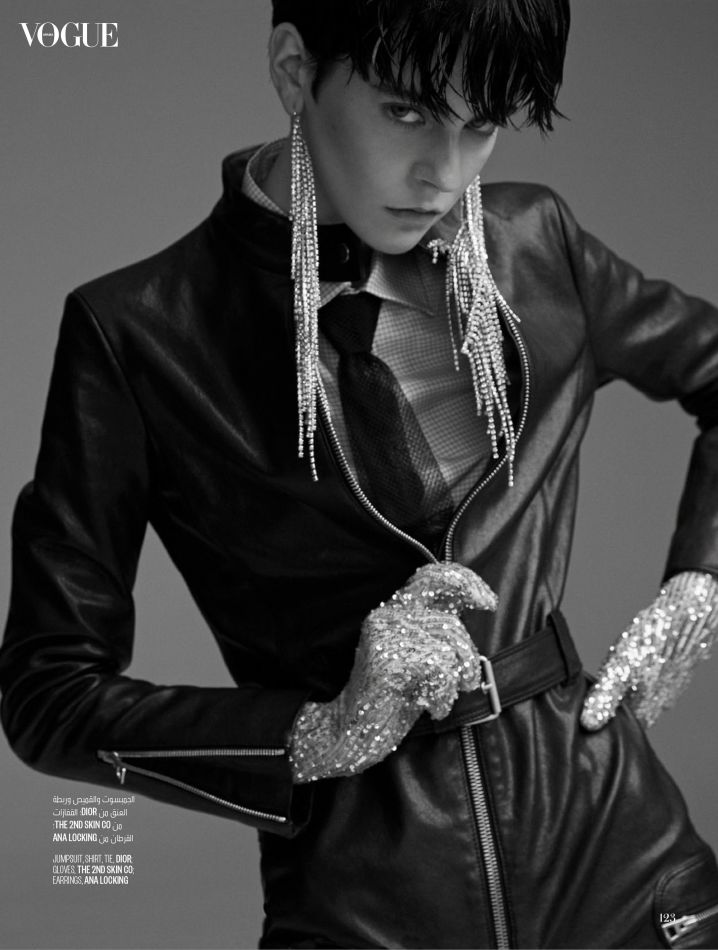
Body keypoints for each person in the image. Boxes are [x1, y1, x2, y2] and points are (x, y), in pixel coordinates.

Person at [2, 0, 718, 946]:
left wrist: (700, 582)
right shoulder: (139, 334)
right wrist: (316, 732)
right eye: (407, 112)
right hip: (365, 907)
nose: (444, 172)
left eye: (481, 123)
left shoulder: (534, 242)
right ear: (294, 69)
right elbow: (48, 695)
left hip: (628, 869)